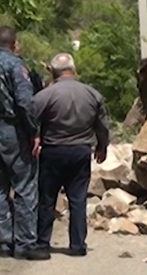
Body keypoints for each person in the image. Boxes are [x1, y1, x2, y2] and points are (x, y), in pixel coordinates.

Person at [0, 26, 49, 260]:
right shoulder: (16, 65)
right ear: (15, 44)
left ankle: (4, 242)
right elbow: (25, 102)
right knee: (24, 186)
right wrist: (34, 132)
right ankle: (25, 243)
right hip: (12, 130)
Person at [34, 53, 110, 257]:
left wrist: (34, 138)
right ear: (73, 70)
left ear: (53, 71)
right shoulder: (92, 94)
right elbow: (102, 125)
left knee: (47, 198)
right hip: (80, 151)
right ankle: (77, 245)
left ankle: (42, 243)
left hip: (52, 151)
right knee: (77, 199)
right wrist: (102, 146)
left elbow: (30, 118)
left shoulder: (45, 95)